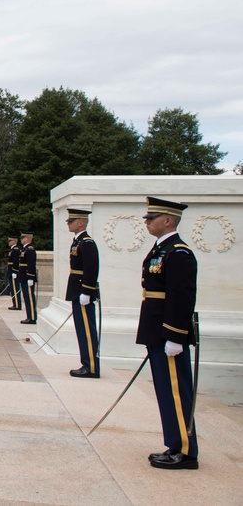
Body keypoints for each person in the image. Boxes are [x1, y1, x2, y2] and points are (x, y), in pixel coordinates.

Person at [139, 197, 199, 470]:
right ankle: (174, 444)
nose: (147, 221)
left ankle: (185, 452)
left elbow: (182, 297)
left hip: (168, 332)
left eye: (152, 217)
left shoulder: (179, 252)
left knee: (176, 391)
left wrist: (176, 336)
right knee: (166, 391)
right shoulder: (162, 249)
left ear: (168, 220)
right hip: (157, 329)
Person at [65, 209, 100, 378]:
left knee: (87, 329)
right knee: (81, 329)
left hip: (82, 289)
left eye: (71, 221)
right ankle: (86, 363)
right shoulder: (77, 242)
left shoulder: (87, 243)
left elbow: (91, 269)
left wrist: (87, 291)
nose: (68, 223)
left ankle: (91, 366)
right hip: (76, 288)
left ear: (81, 222)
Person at [19, 231, 38, 324]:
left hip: (27, 277)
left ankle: (32, 317)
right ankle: (29, 316)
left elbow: (31, 264)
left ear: (28, 238)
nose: (21, 239)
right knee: (26, 298)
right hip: (24, 277)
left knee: (30, 298)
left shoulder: (30, 249)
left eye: (23, 238)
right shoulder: (24, 249)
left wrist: (31, 277)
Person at [7, 235, 22, 310]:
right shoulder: (12, 250)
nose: (8, 242)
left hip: (13, 272)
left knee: (15, 288)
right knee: (13, 289)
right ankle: (15, 304)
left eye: (10, 241)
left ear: (14, 241)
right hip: (11, 271)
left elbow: (16, 262)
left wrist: (15, 272)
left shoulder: (15, 250)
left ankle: (17, 305)